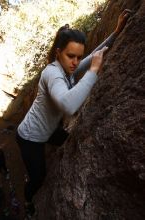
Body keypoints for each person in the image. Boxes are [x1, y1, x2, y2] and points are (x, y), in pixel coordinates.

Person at [16, 9, 132, 218]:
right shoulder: (53, 73)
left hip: (49, 128)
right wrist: (94, 71)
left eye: (78, 57)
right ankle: (28, 201)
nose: (76, 62)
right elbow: (68, 106)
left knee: (68, 142)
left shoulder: (68, 69)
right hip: (30, 136)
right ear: (58, 52)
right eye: (71, 56)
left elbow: (91, 56)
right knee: (38, 177)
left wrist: (116, 32)